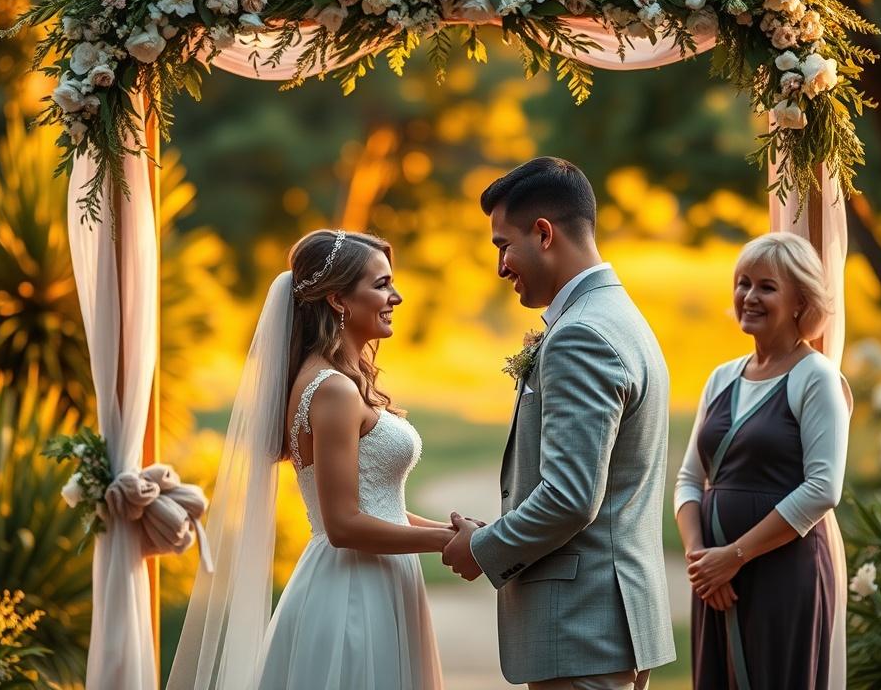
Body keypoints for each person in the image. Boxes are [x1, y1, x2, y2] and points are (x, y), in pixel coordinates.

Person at [168, 229, 452, 690]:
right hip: (355, 595)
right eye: (381, 284)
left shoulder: (336, 380)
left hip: (377, 580)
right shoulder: (333, 389)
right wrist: (443, 543)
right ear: (338, 299)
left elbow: (380, 505)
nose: (396, 297)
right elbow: (343, 525)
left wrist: (452, 531)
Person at [442, 156, 676, 690]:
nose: (500, 267)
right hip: (606, 624)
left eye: (503, 245)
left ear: (544, 234)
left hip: (581, 628)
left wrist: (484, 548)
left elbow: (570, 497)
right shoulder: (620, 315)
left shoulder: (581, 335)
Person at [674, 231, 850, 690]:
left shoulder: (816, 378)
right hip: (715, 582)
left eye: (766, 287)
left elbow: (823, 489)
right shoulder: (721, 378)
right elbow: (689, 478)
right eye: (743, 283)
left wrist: (734, 556)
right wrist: (702, 561)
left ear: (800, 302)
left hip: (784, 575)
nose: (749, 296)